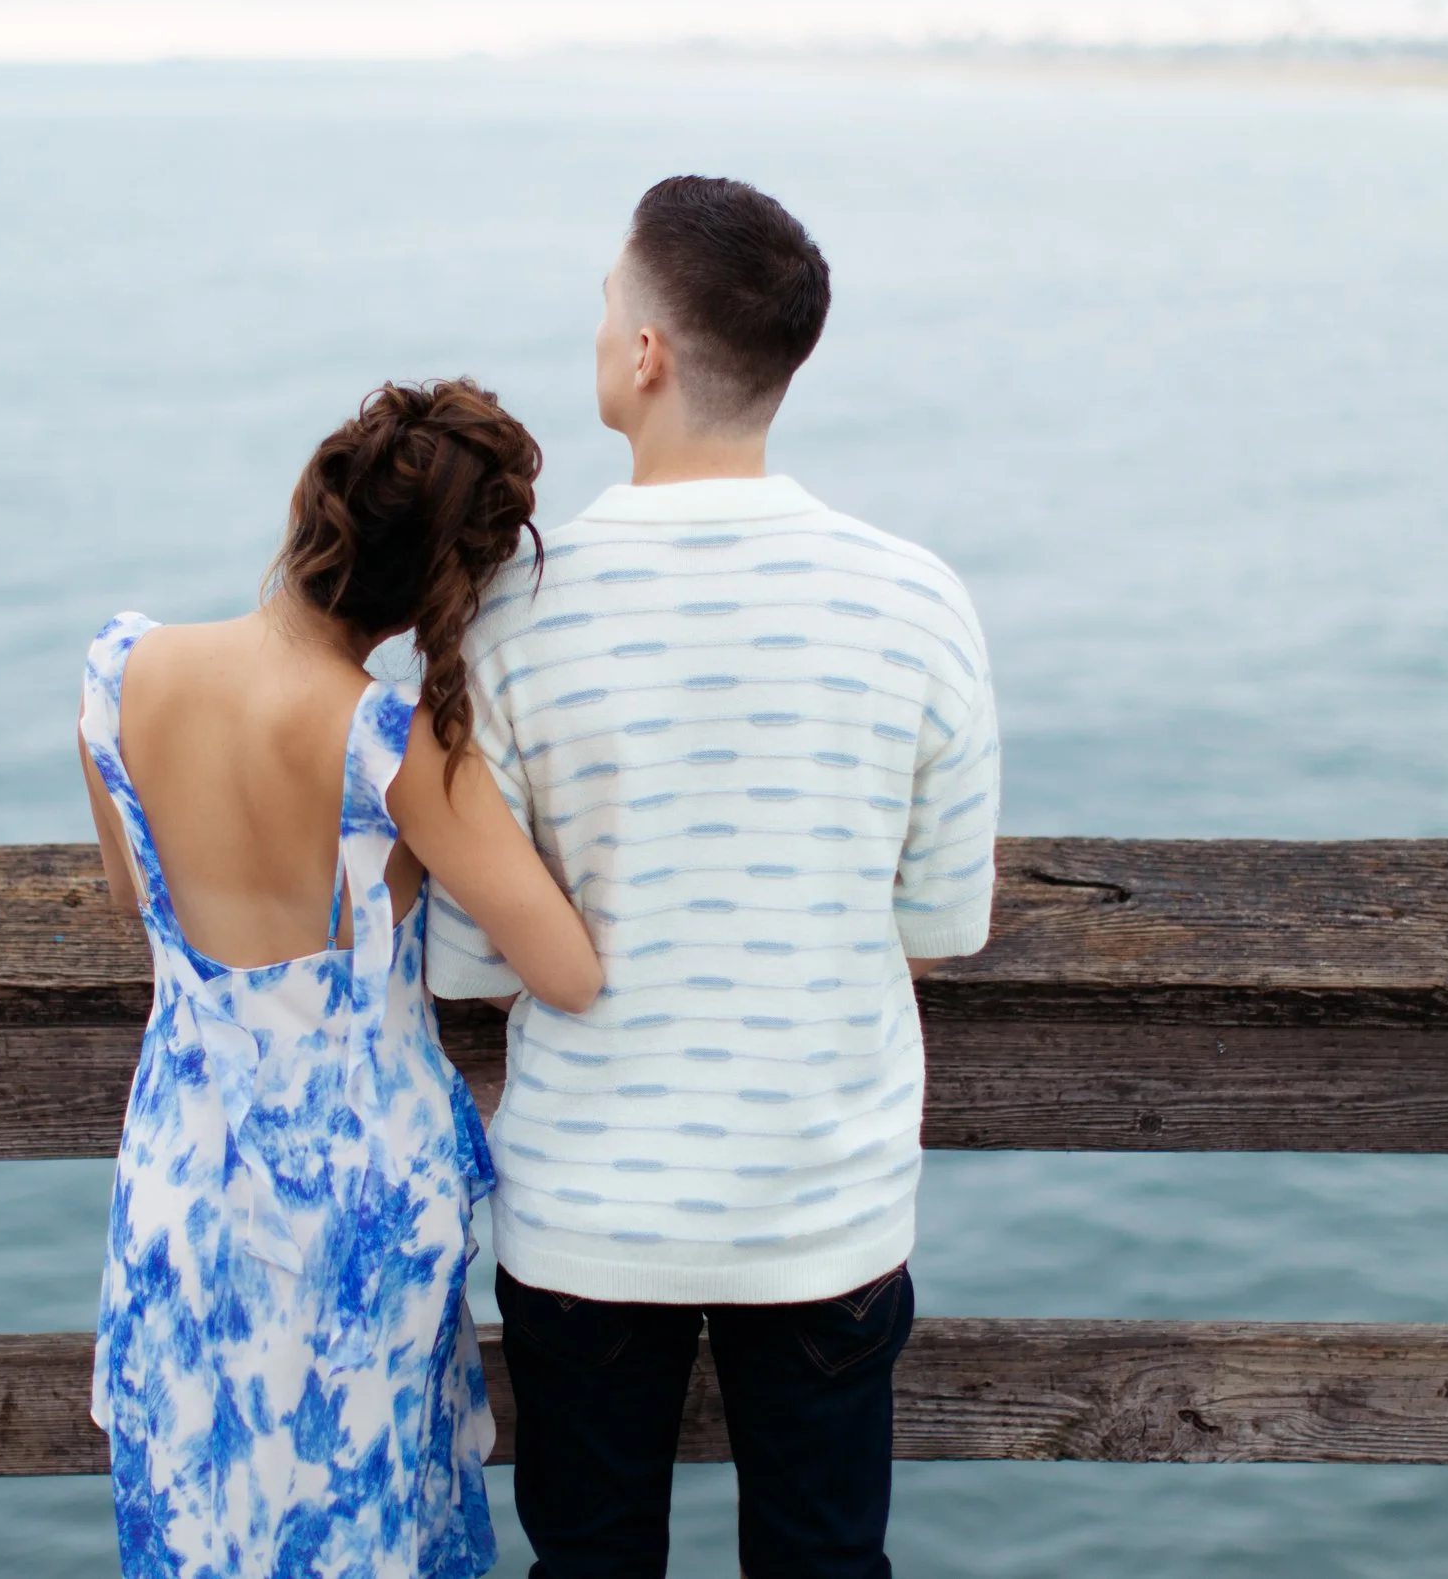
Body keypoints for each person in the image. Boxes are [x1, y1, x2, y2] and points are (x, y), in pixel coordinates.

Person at [429, 177, 1001, 1578]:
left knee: (590, 1562)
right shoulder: (916, 600)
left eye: (608, 305)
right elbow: (940, 923)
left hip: (584, 1217)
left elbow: (469, 954)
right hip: (821, 1203)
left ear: (646, 354)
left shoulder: (508, 613)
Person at [78, 379, 605, 1579]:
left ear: (313, 503)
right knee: (362, 1535)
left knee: (201, 1526)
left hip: (183, 1186)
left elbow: (129, 892)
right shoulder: (387, 741)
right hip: (358, 1216)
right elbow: (566, 969)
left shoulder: (118, 669)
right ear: (441, 591)